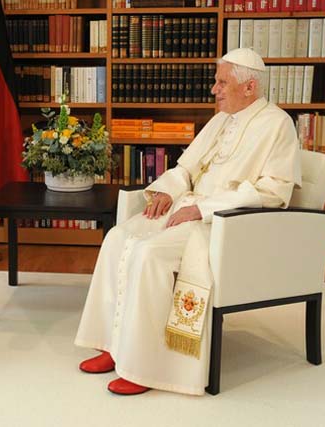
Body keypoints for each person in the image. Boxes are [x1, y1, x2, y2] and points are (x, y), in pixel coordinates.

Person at [74, 48, 301, 396]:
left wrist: (204, 209)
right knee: (118, 238)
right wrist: (166, 189)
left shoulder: (277, 125)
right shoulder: (220, 119)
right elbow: (186, 168)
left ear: (250, 86)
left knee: (148, 254)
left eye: (222, 82)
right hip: (186, 207)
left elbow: (274, 191)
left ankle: (145, 366)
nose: (214, 90)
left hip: (222, 223)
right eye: (216, 81)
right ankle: (113, 344)